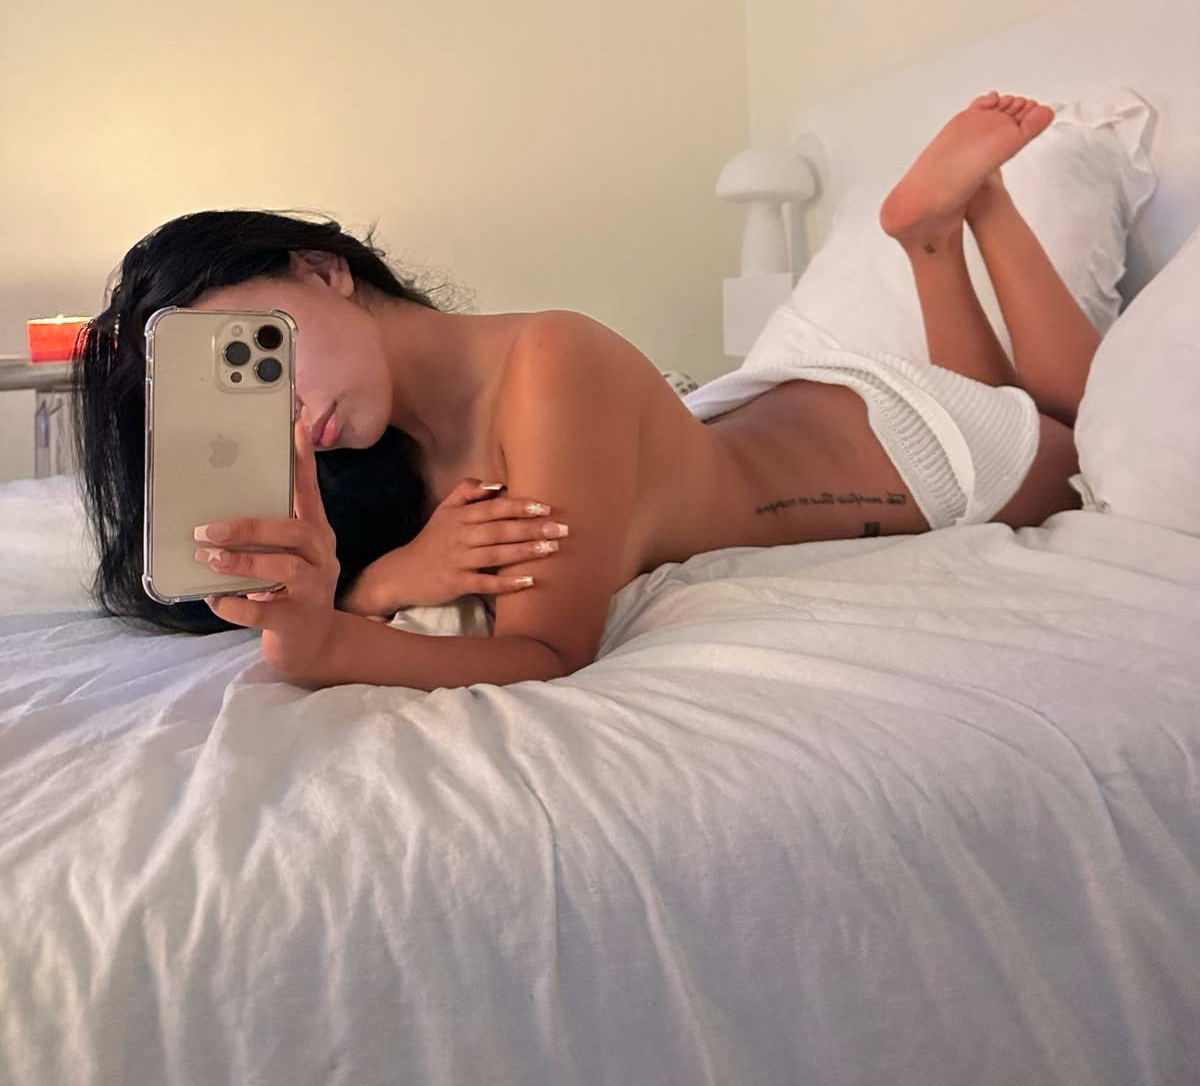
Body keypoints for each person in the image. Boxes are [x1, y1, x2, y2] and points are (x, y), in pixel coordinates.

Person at [76, 92, 1099, 692]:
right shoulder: (375, 450)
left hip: (908, 459)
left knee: (1072, 433)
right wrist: (379, 583)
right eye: (247, 394)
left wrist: (331, 641)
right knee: (989, 390)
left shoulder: (550, 361)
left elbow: (546, 650)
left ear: (321, 270)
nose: (291, 417)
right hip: (778, 414)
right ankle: (928, 238)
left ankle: (985, 210)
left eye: (263, 353)